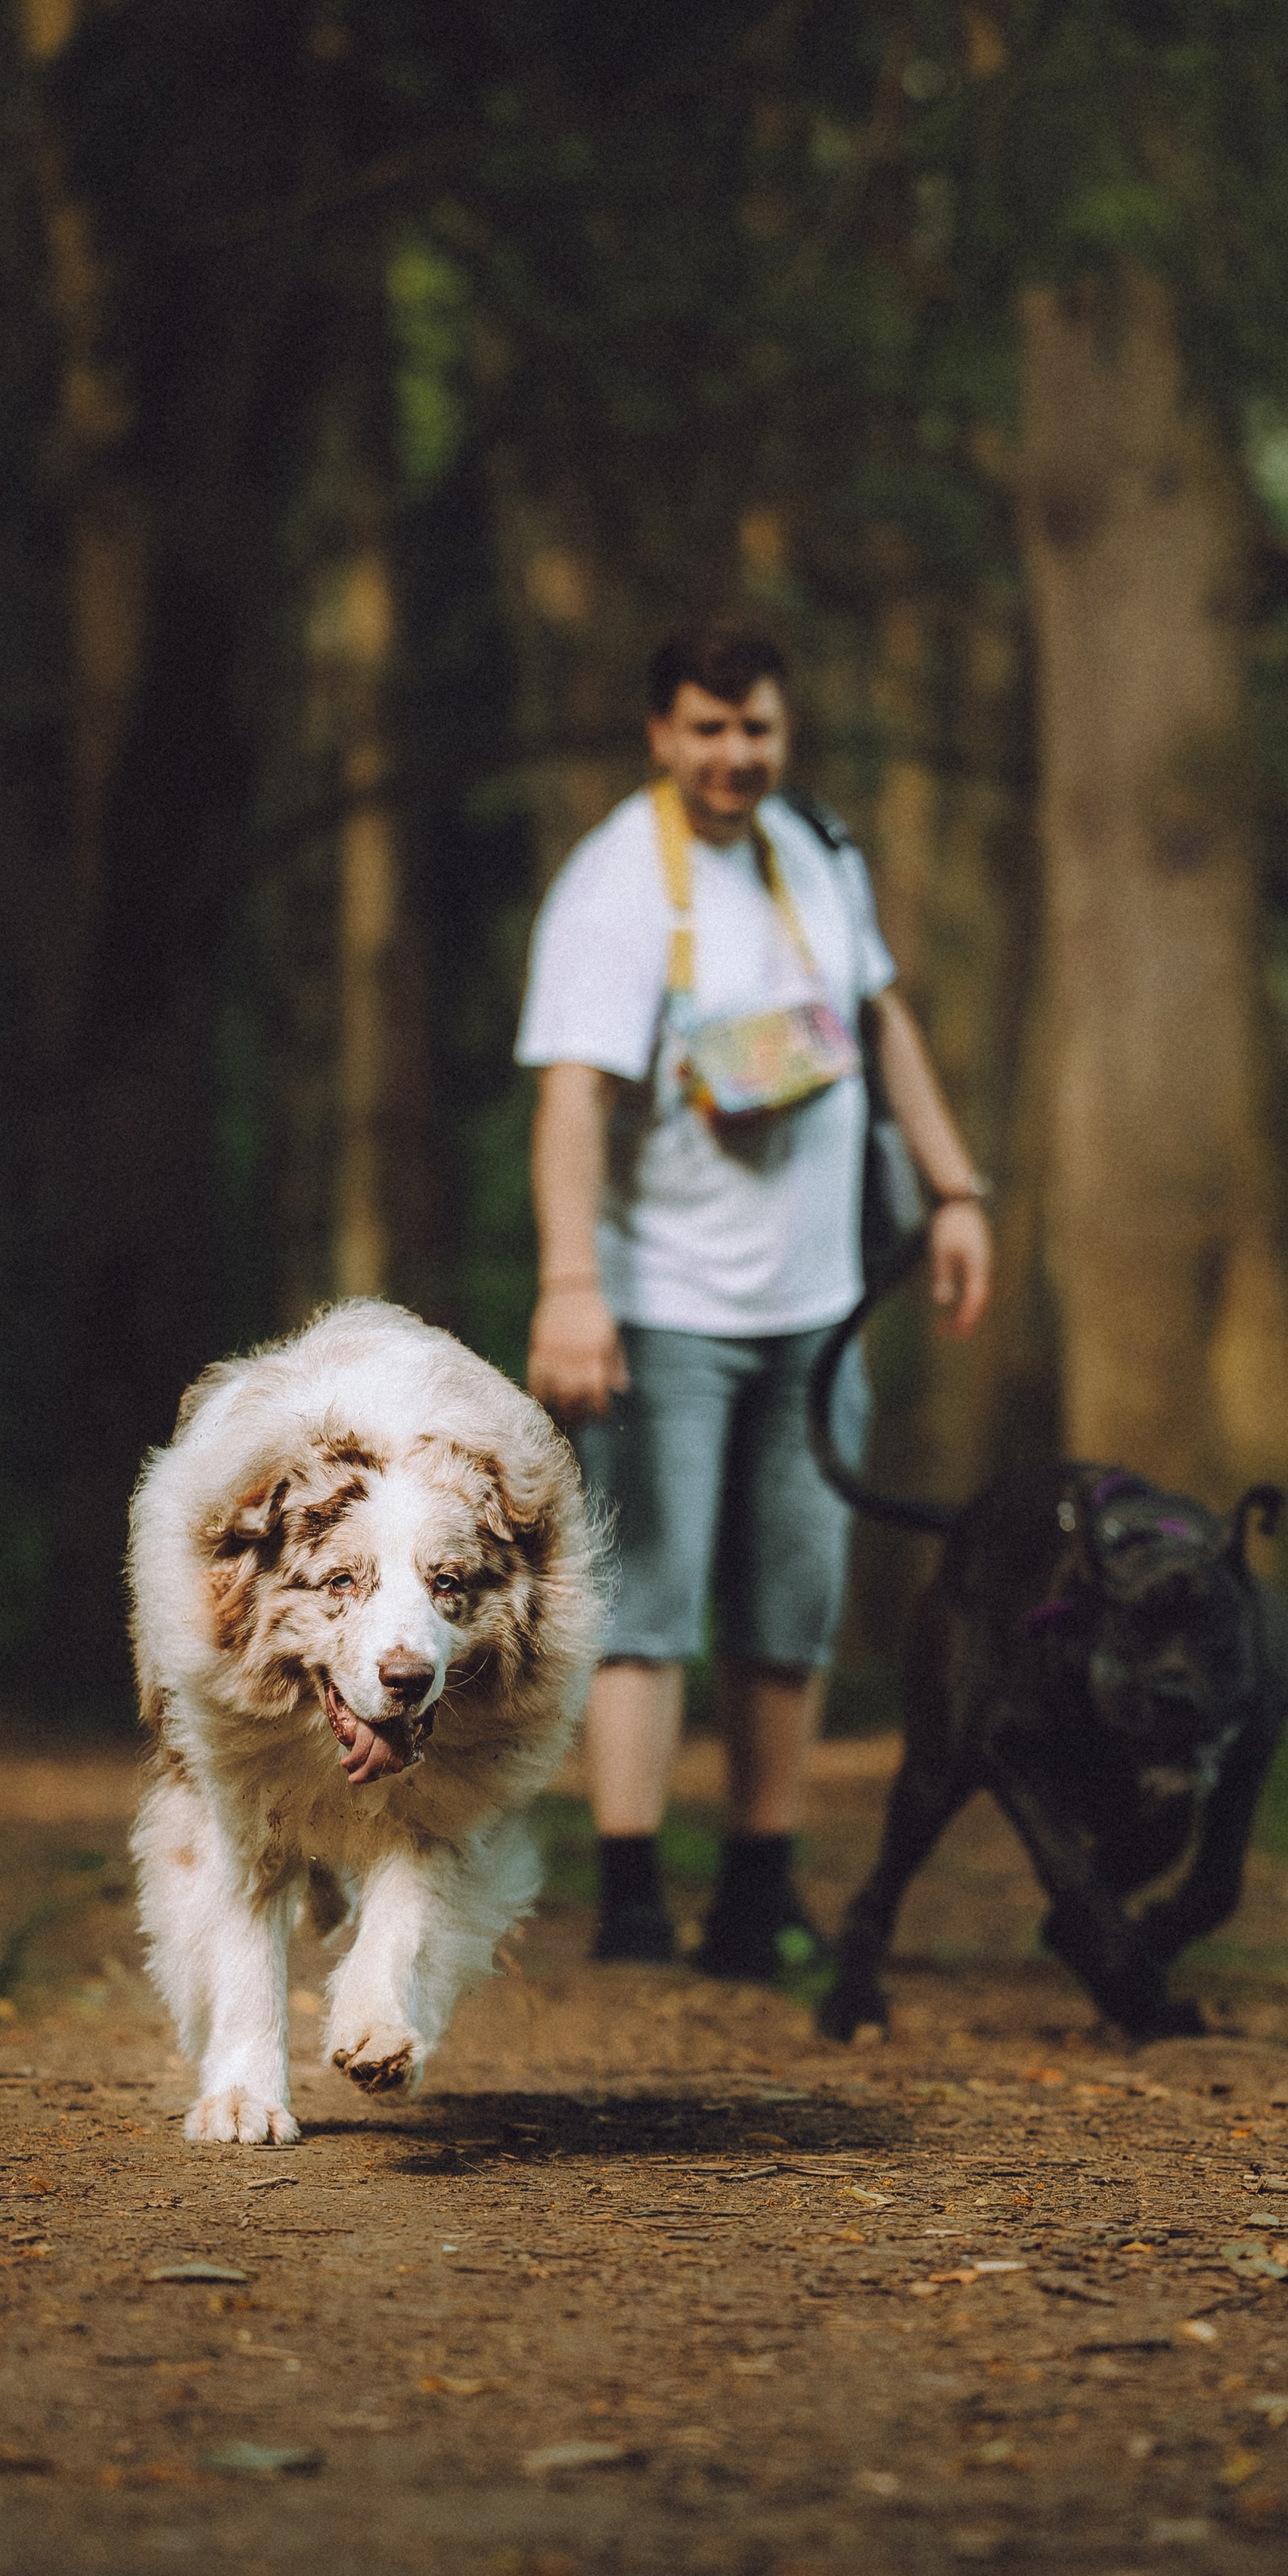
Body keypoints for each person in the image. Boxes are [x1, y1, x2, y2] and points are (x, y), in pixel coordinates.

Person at [516, 617, 993, 1976]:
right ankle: (629, 1895)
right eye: (710, 730)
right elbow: (569, 1096)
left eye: (758, 729)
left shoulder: (818, 854)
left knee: (794, 1597)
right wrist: (571, 1288)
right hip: (662, 1304)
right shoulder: (614, 884)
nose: (737, 756)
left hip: (817, 1302)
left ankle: (759, 1884)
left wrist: (956, 1193)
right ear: (662, 733)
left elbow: (883, 1020)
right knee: (649, 1599)